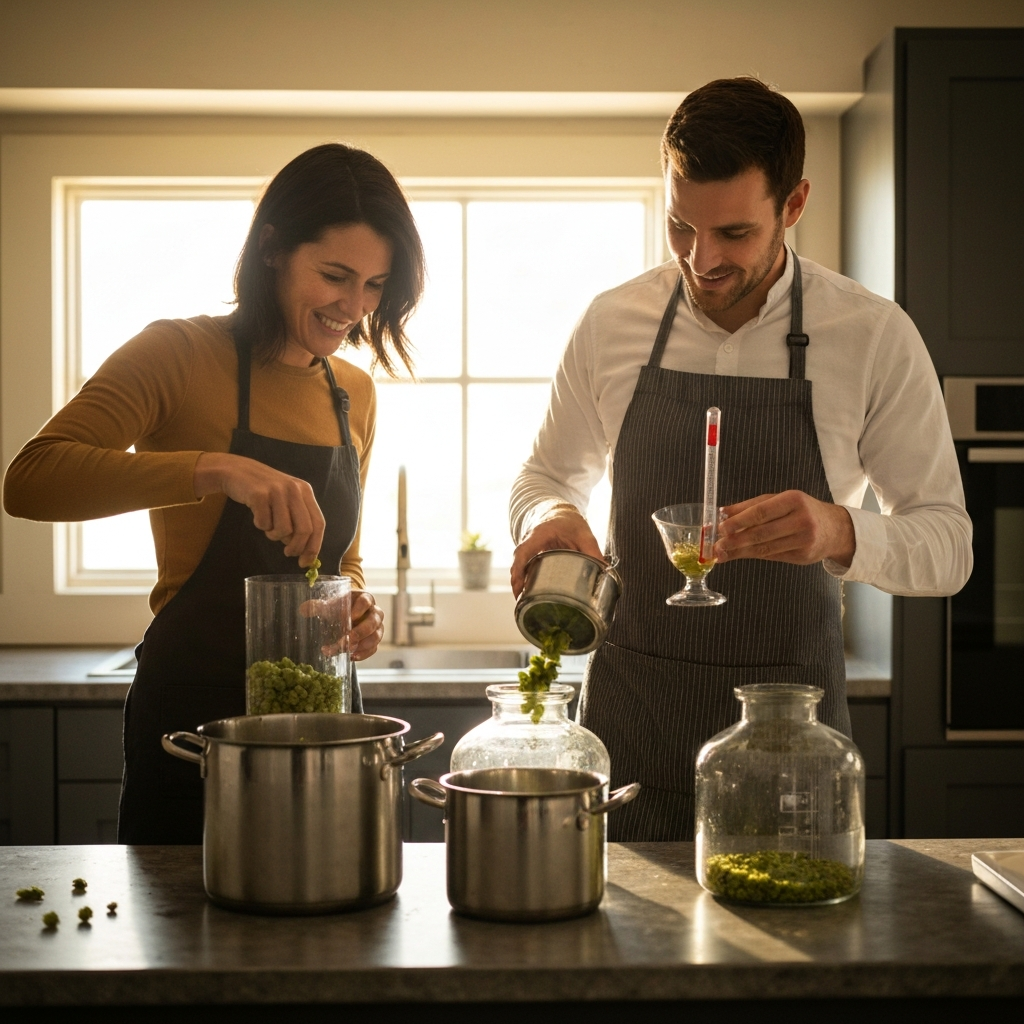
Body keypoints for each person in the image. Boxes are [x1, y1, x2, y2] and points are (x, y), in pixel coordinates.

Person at [509, 78, 972, 842]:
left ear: (793, 206)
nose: (701, 259)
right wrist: (552, 514)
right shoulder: (612, 322)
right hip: (633, 737)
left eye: (733, 233)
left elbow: (949, 546)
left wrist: (839, 532)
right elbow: (547, 477)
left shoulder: (871, 335)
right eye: (679, 228)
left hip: (792, 744)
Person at [3, 143, 425, 843]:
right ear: (271, 250)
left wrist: (354, 609)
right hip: (190, 723)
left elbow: (339, 556)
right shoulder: (178, 353)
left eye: (376, 284)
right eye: (335, 276)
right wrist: (213, 468)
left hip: (321, 722)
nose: (353, 307)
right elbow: (32, 479)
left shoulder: (353, 392)